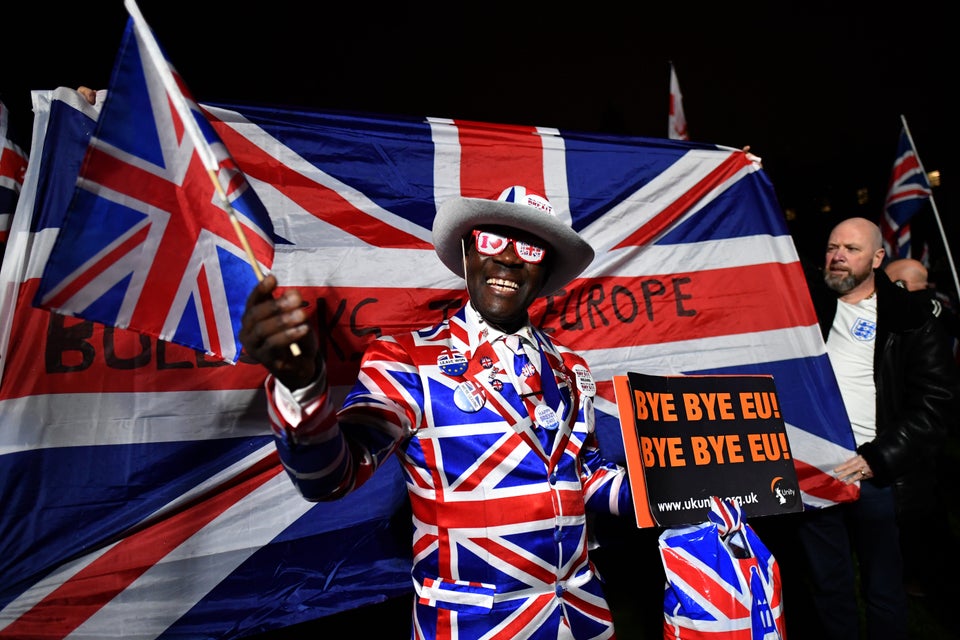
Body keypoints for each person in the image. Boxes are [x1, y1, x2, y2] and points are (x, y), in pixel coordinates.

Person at [239, 185, 632, 640]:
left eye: (528, 246)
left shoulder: (569, 366)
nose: (507, 258)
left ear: (544, 270)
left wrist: (671, 489)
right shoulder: (407, 359)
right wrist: (301, 387)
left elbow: (586, 477)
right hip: (475, 625)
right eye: (490, 240)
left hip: (584, 620)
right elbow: (333, 475)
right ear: (467, 252)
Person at [794, 217, 959, 639]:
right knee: (828, 588)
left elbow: (935, 406)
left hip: (875, 476)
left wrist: (878, 459)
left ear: (878, 258)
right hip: (812, 473)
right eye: (832, 247)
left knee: (883, 588)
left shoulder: (911, 318)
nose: (838, 257)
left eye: (852, 249)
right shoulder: (805, 304)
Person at [884, 257, 960, 599]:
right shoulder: (940, 306)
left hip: (912, 411)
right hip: (934, 417)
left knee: (916, 506)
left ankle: (915, 576)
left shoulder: (909, 308)